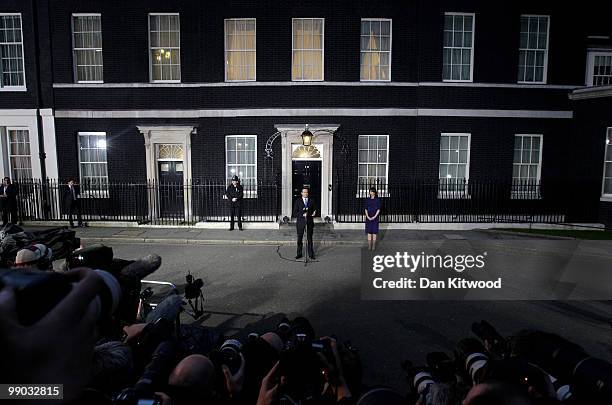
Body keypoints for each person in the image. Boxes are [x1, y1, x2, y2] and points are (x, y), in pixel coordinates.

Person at [293, 187, 316, 259]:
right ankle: (299, 253)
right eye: (304, 192)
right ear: (301, 193)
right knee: (300, 238)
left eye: (307, 192)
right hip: (300, 222)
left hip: (309, 221)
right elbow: (294, 213)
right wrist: (302, 215)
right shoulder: (298, 201)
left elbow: (315, 209)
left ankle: (311, 254)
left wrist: (314, 212)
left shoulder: (312, 200)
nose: (305, 193)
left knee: (309, 238)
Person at [364, 187, 381, 251]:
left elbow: (378, 209)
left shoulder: (377, 200)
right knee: (369, 232)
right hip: (368, 217)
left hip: (375, 217)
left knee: (374, 232)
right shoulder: (367, 200)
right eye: (370, 191)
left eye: (371, 191)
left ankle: (373, 246)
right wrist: (367, 216)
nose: (370, 192)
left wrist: (374, 216)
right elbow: (365, 209)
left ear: (374, 192)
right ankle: (369, 246)